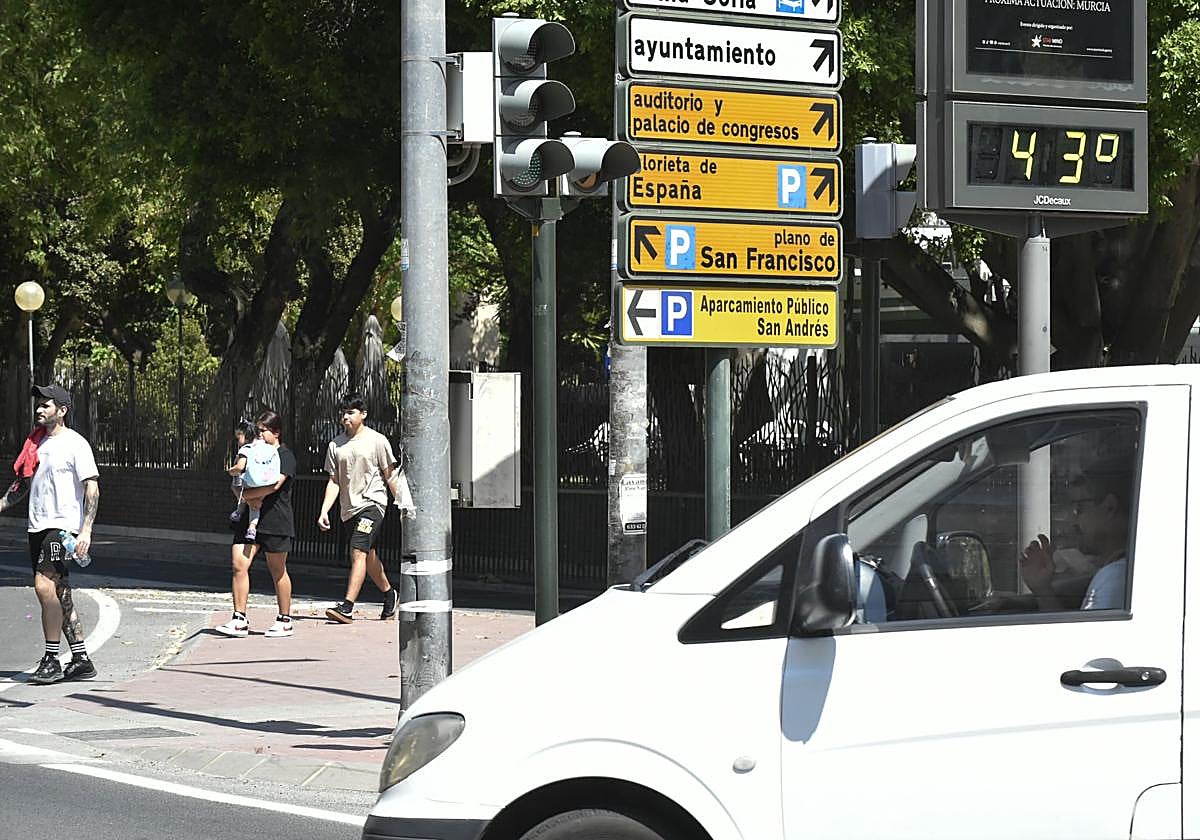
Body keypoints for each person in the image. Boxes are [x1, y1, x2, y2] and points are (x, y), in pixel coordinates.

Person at [0, 384, 100, 684]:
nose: (39, 409)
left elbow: (91, 487)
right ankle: (81, 659)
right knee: (58, 593)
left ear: (62, 410)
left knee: (43, 587)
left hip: (63, 526)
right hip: (37, 525)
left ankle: (51, 659)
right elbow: (22, 486)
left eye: (46, 405)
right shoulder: (36, 444)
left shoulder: (76, 444)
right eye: (38, 404)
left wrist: (86, 530)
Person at [318, 393, 403, 624]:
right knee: (368, 555)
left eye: (351, 412)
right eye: (343, 412)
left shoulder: (377, 440)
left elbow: (390, 475)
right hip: (349, 509)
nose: (345, 417)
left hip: (372, 504)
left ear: (363, 415)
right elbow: (334, 480)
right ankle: (389, 594)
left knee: (357, 551)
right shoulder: (336, 445)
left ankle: (347, 606)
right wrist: (325, 510)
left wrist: (404, 504)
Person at [215, 410, 297, 638]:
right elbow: (236, 482)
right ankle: (239, 618)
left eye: (264, 431)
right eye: (257, 430)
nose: (259, 435)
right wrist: (244, 494)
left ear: (276, 432)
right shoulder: (251, 451)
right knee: (238, 564)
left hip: (275, 519)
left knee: (278, 570)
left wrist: (251, 496)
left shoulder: (285, 455)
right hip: (248, 519)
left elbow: (275, 485)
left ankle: (285, 619)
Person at [1019, 456, 1133, 612]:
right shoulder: (1119, 572)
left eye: (1079, 509)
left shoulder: (1113, 577)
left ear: (1109, 508)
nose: (1073, 521)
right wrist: (1042, 589)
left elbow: (1076, 637)